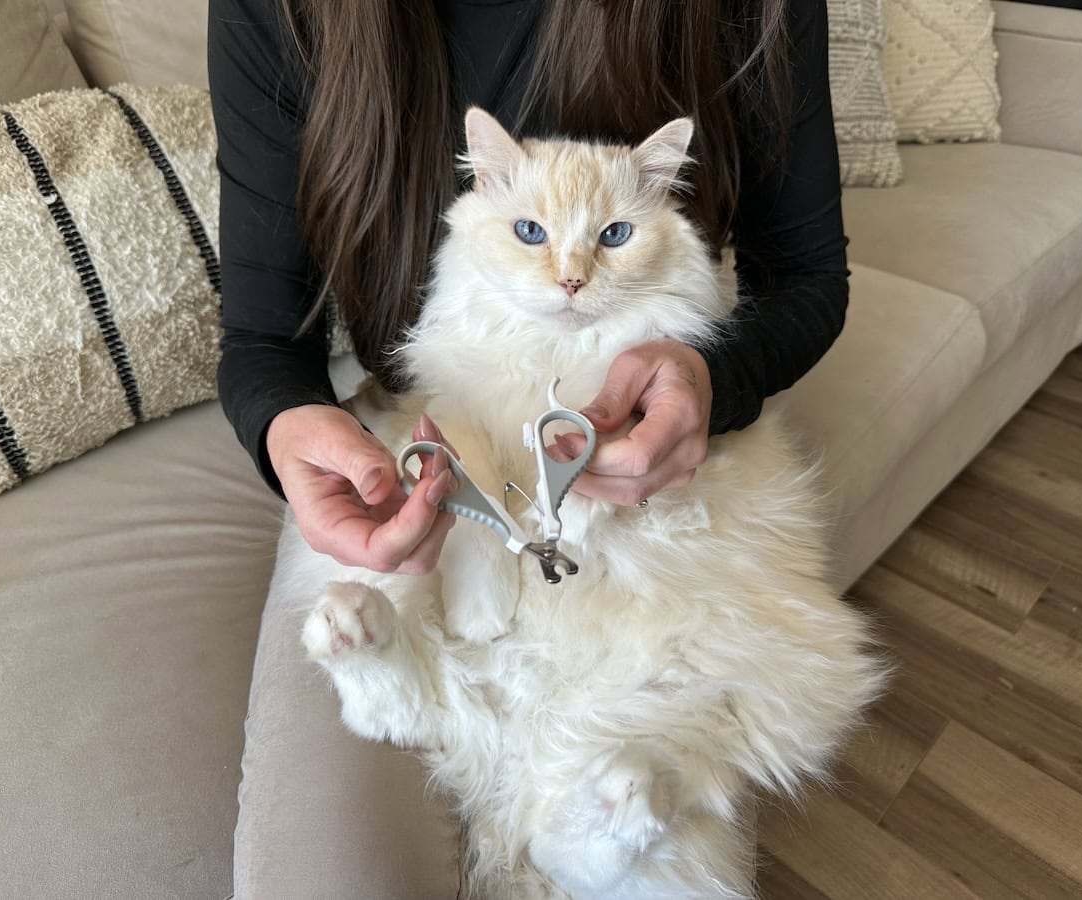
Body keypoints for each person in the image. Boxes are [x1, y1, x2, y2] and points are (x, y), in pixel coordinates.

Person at [209, 0, 847, 892]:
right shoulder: (283, 16)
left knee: (669, 699)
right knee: (325, 856)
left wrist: (711, 379)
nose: (572, 276)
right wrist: (287, 427)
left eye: (610, 240)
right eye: (541, 240)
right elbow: (263, 342)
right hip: (423, 431)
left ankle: (593, 827)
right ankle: (392, 682)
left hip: (661, 478)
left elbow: (810, 276)